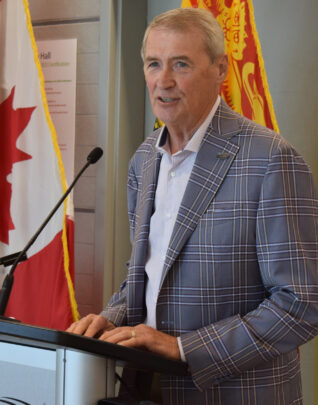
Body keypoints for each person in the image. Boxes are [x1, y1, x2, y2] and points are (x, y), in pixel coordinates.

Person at [67, 7, 318, 404]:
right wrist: (109, 320)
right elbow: (148, 276)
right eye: (153, 64)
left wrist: (184, 348)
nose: (163, 81)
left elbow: (300, 304)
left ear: (221, 69)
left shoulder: (271, 159)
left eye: (180, 64)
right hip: (143, 387)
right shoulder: (144, 159)